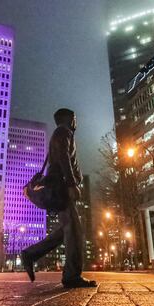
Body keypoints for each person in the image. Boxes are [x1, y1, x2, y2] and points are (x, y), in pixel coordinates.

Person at [21, 108, 97, 288]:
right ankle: (71, 276)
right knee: (75, 232)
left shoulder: (62, 133)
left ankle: (30, 254)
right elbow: (64, 157)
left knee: (66, 231)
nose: (76, 122)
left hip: (61, 186)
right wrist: (72, 184)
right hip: (62, 187)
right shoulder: (64, 131)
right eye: (75, 118)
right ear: (69, 119)